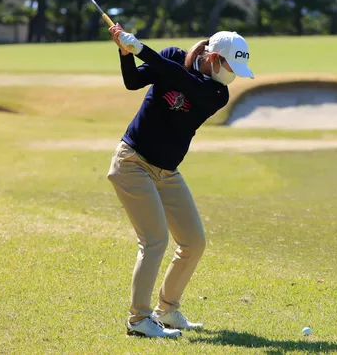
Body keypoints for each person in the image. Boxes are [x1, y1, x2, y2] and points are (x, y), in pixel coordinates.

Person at [106, 24, 254, 338]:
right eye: (231, 67)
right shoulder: (173, 56)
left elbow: (181, 79)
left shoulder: (217, 93)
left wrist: (141, 49)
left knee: (193, 241)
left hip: (167, 172)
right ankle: (139, 320)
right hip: (132, 163)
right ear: (213, 58)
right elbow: (133, 81)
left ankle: (167, 310)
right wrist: (126, 54)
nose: (234, 75)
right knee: (155, 240)